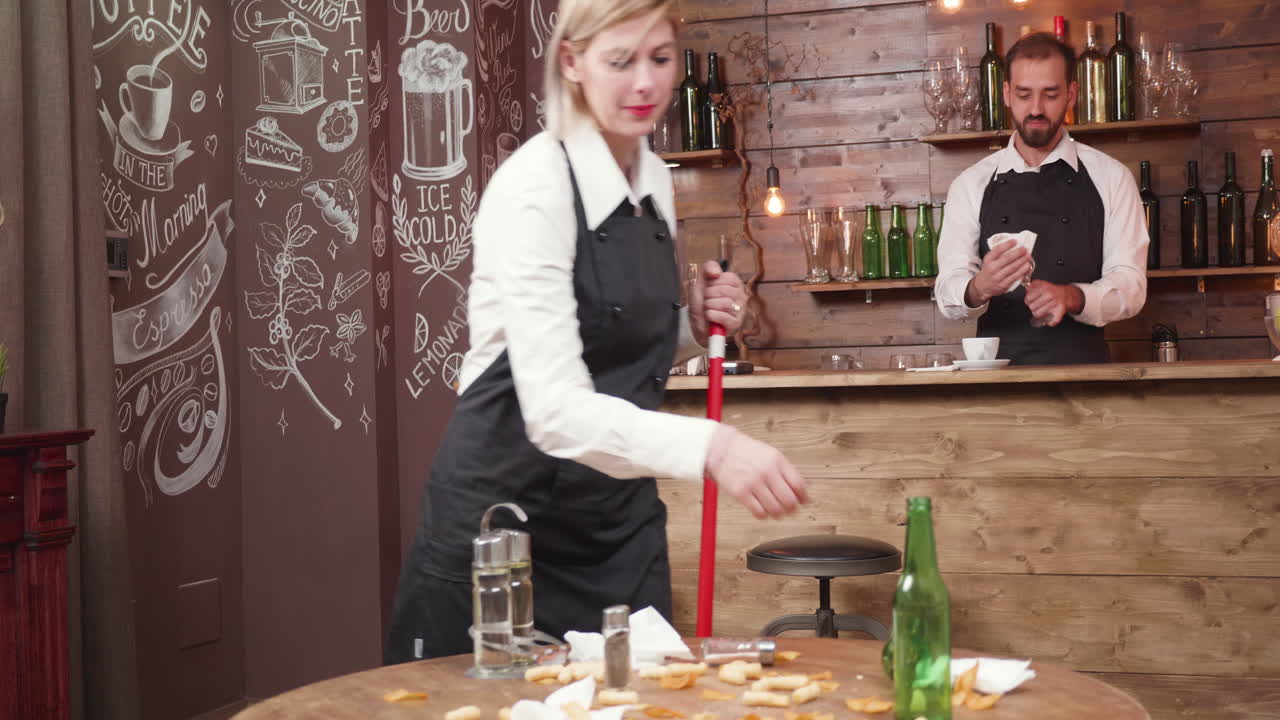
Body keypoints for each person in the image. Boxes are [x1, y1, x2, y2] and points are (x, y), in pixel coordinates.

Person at [385, 0, 809, 664]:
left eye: (660, 59)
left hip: (615, 533)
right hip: (506, 538)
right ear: (572, 61)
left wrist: (691, 325)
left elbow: (612, 348)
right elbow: (554, 412)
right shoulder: (535, 188)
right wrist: (714, 448)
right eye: (621, 61)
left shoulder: (654, 183)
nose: (645, 84)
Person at [935, 32, 1148, 365]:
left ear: (1071, 94)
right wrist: (979, 286)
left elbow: (1131, 287)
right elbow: (947, 290)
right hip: (995, 382)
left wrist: (1074, 296)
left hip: (1087, 379)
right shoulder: (971, 184)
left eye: (1050, 95)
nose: (1035, 109)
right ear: (1006, 94)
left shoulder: (1112, 177)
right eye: (1023, 95)